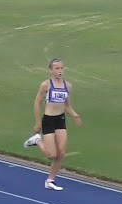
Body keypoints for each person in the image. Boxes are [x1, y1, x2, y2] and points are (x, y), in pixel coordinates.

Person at [23, 58, 82, 191]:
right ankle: (37, 140)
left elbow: (67, 105)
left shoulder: (68, 86)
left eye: (61, 68)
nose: (60, 71)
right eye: (57, 68)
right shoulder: (46, 85)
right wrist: (38, 123)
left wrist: (75, 116)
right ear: (51, 70)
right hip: (48, 120)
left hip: (60, 120)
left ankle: (50, 180)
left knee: (61, 153)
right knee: (51, 155)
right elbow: (37, 103)